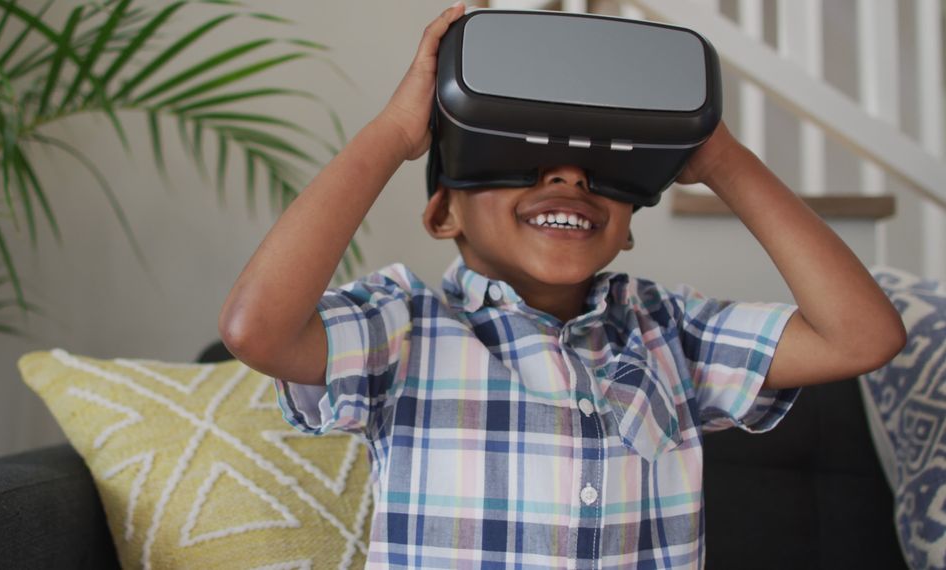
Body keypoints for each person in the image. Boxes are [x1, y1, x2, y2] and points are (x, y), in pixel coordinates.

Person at [218, 3, 906, 567]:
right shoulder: (404, 329)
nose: (570, 177)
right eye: (522, 158)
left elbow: (863, 336)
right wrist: (397, 133)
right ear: (442, 212)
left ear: (629, 227)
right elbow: (257, 328)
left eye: (600, 169)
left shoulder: (672, 332)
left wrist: (722, 157)